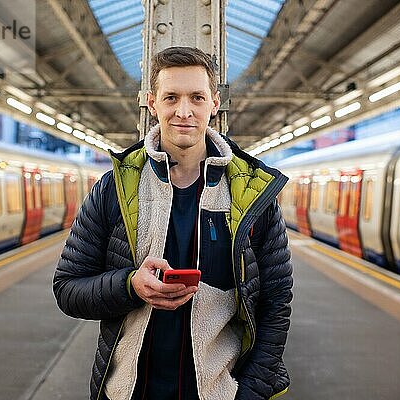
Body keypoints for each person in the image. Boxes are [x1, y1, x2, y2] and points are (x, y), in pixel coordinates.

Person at [53, 46, 293, 400]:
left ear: (214, 103)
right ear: (152, 103)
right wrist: (130, 285)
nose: (184, 111)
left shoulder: (253, 195)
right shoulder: (114, 190)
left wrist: (250, 392)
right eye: (171, 97)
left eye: (196, 97)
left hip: (219, 392)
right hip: (129, 392)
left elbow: (276, 303)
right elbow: (68, 289)